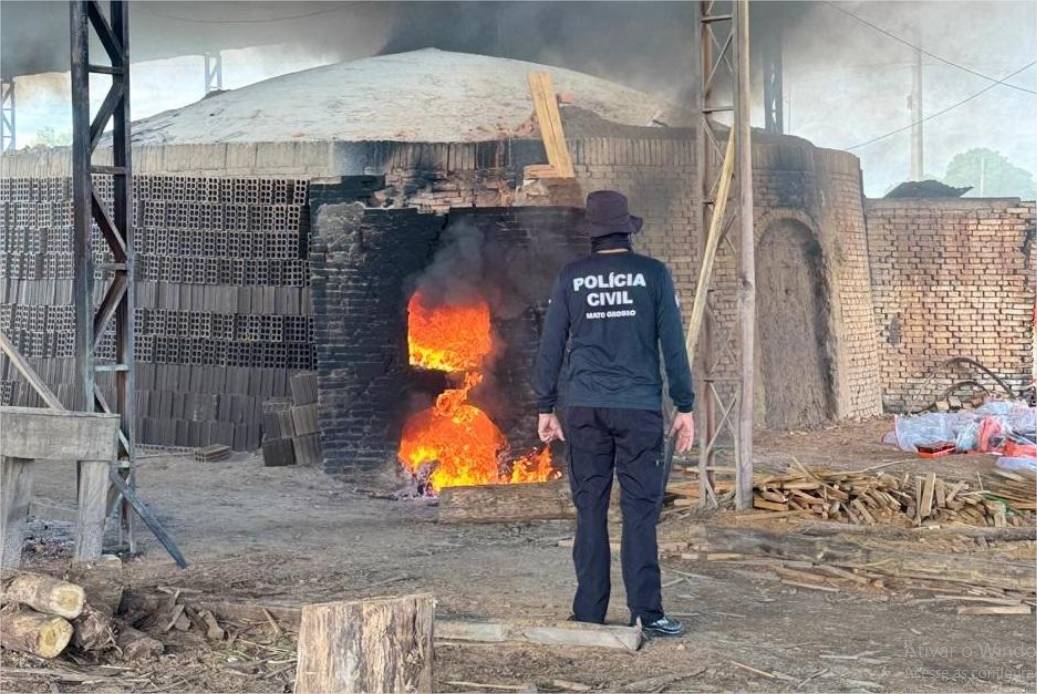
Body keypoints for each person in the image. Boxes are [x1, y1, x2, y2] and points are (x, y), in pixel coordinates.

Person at [533, 190, 696, 637]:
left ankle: (589, 611)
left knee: (590, 509)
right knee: (640, 512)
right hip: (639, 408)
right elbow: (673, 346)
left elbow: (551, 347)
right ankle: (647, 612)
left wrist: (546, 406)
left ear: (592, 235)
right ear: (628, 230)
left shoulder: (571, 277)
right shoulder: (653, 275)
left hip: (584, 407)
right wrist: (685, 405)